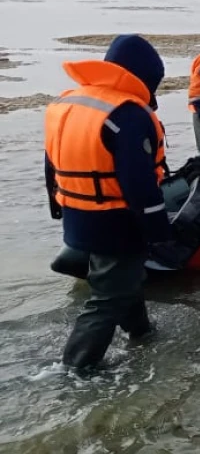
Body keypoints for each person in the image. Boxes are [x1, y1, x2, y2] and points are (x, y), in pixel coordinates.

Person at [44, 34, 169, 371]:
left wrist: (58, 207)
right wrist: (158, 228)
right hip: (116, 219)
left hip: (77, 212)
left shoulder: (67, 101)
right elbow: (138, 183)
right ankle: (75, 368)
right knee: (108, 298)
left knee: (123, 279)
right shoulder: (127, 114)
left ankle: (142, 332)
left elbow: (51, 162)